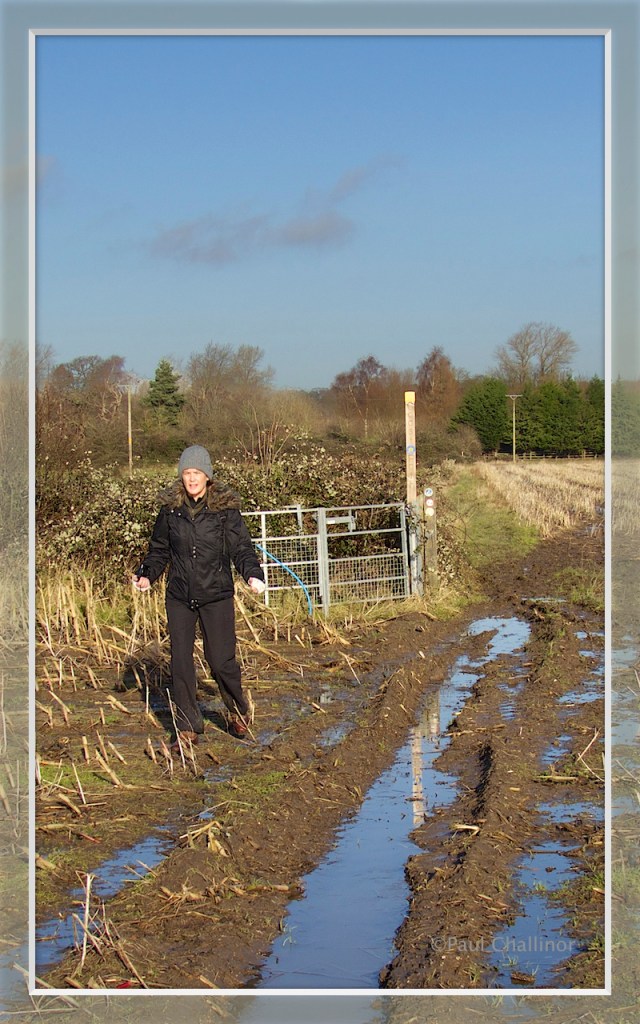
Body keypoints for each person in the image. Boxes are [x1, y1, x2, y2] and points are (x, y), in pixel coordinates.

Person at [131, 444, 266, 747]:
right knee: (180, 662)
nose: (192, 479)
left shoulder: (225, 511)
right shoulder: (170, 510)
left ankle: (237, 710)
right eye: (187, 473)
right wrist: (146, 575)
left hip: (216, 593)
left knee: (220, 661)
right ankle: (188, 726)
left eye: (197, 473)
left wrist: (252, 574)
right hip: (179, 594)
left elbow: (241, 547)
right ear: (182, 476)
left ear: (208, 476)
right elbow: (159, 550)